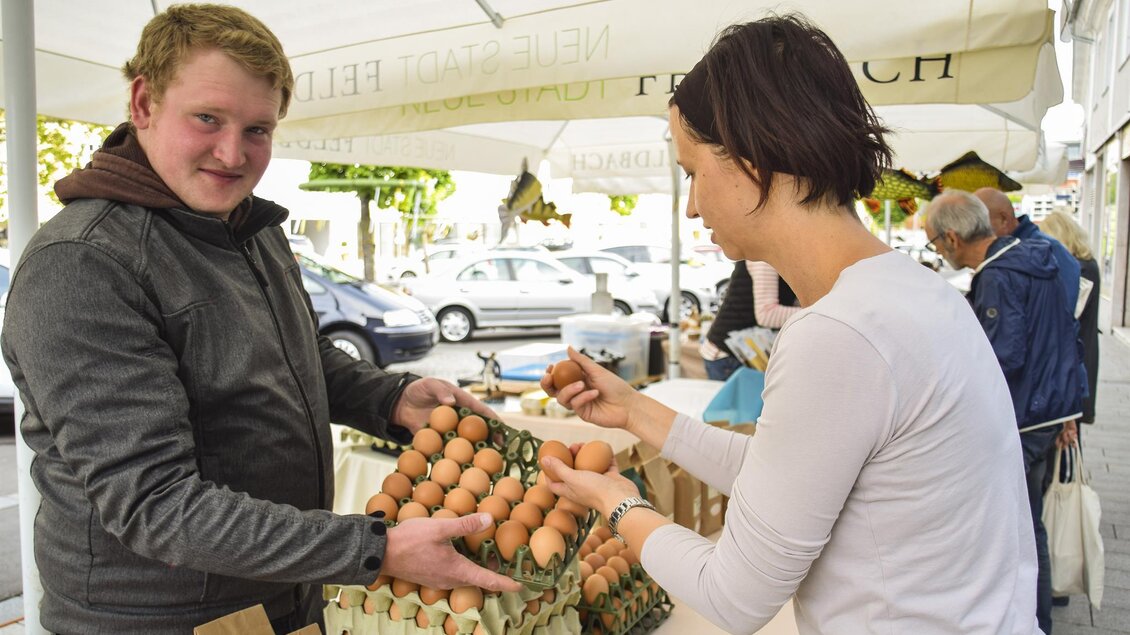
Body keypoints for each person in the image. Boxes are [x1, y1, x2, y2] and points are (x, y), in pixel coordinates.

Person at [0, 5, 519, 634]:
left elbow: (295, 359)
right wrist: (371, 549)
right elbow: (154, 505)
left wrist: (390, 398)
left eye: (258, 130)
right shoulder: (84, 263)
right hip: (157, 618)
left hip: (280, 589)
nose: (232, 153)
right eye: (207, 118)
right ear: (142, 104)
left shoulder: (248, 228)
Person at [539, 14, 1042, 634]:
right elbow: (785, 478)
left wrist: (617, 504)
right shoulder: (912, 292)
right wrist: (636, 411)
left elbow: (735, 596)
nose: (691, 205)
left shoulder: (839, 333)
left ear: (752, 157)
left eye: (693, 171)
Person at [924, 190, 1085, 634]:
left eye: (935, 242)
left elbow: (1003, 356)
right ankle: (1036, 619)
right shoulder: (1035, 256)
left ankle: (1031, 621)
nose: (938, 251)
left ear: (952, 238)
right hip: (1048, 407)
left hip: (1025, 415)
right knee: (1029, 526)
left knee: (1017, 529)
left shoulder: (997, 275)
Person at [1040, 209, 1101, 429]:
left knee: (1069, 429)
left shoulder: (1081, 268)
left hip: (1075, 358)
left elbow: (1068, 312)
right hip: (1076, 356)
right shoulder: (1084, 265)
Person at [978, 187, 1082, 314]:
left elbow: (1061, 313)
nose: (975, 233)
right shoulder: (1005, 250)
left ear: (1003, 219)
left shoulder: (1049, 249)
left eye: (981, 225)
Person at [700, 260, 799, 380]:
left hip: (743, 352)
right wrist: (812, 311)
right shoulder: (762, 259)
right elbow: (766, 315)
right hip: (729, 355)